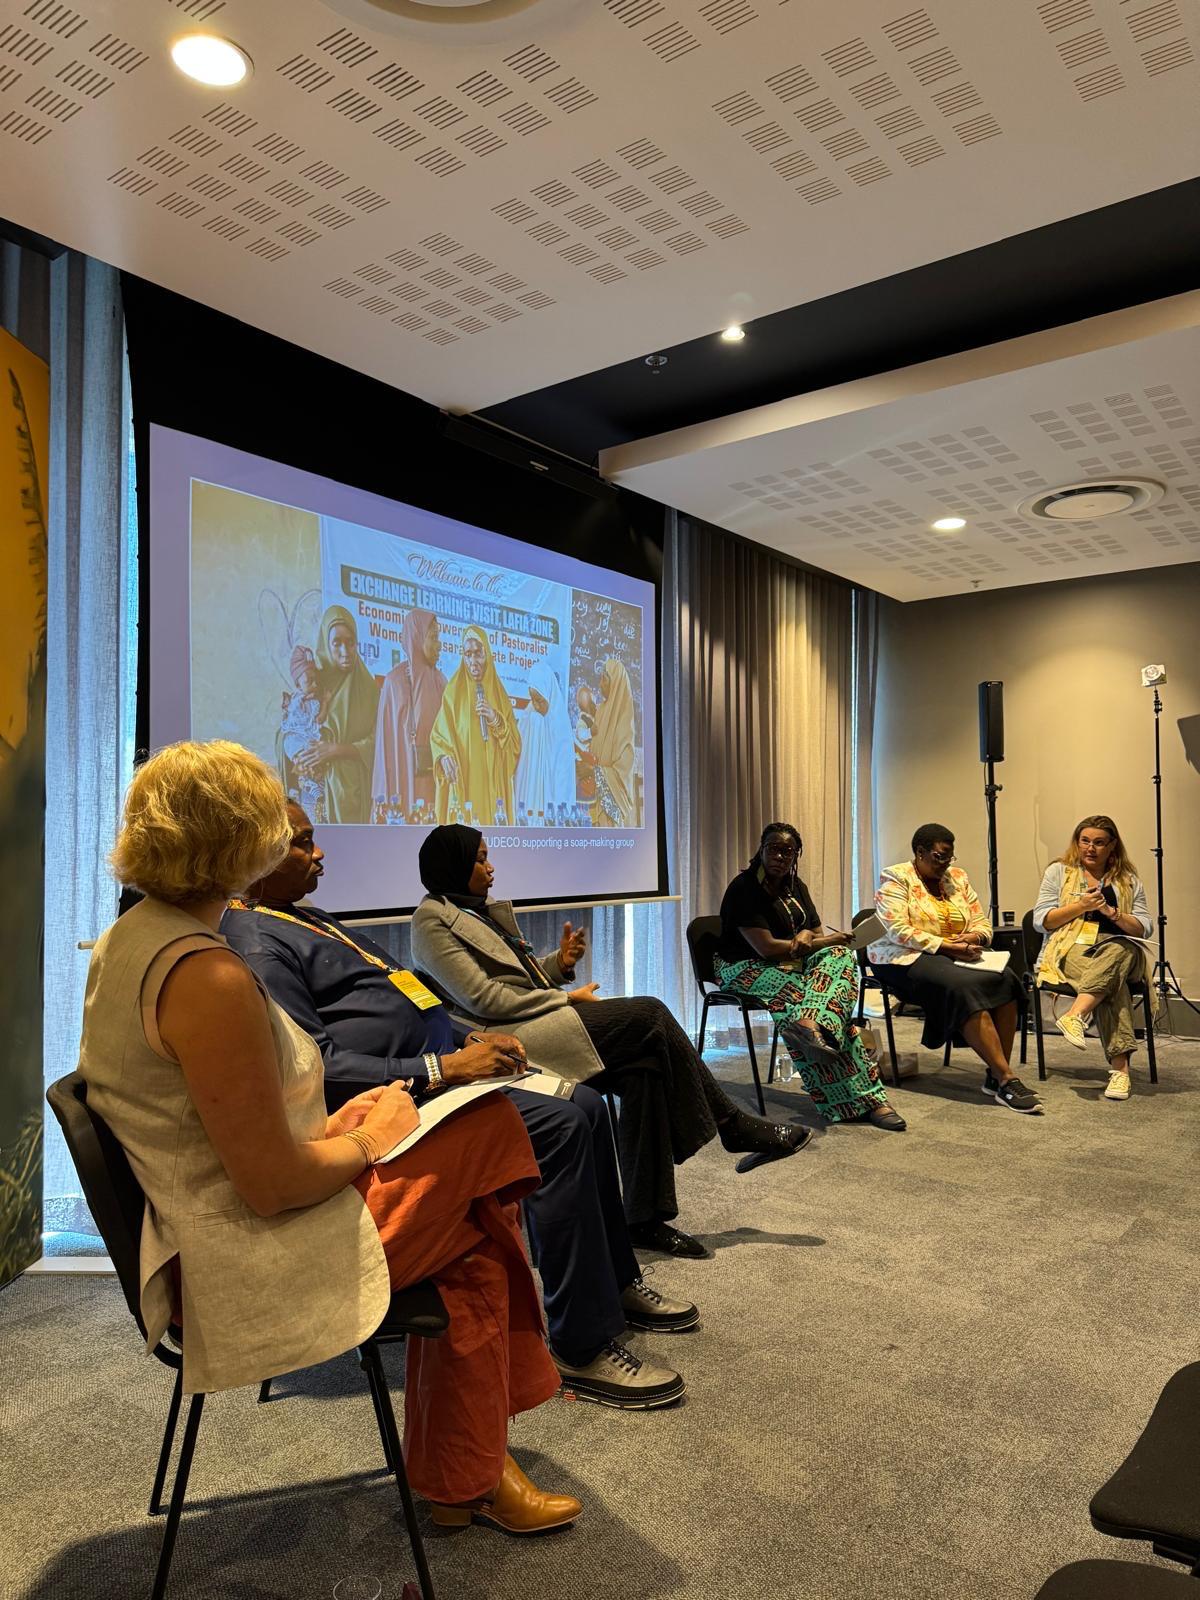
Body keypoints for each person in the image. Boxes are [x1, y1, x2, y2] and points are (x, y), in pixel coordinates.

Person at [81, 740, 579, 1533]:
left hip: (203, 1224)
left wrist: (358, 1122)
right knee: (489, 1162)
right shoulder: (208, 976)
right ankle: (470, 1469)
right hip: (241, 1259)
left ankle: (468, 1475)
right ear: (245, 842)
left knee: (475, 1215)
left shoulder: (134, 937)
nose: (299, 842)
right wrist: (374, 1135)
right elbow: (272, 1185)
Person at [223, 802, 695, 1409]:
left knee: (587, 1105)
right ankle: (580, 1345)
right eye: (304, 844)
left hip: (448, 1065)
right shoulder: (255, 941)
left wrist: (467, 1035)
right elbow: (319, 1067)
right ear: (257, 855)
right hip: (393, 1101)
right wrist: (442, 1067)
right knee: (560, 1126)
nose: (320, 854)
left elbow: (409, 992)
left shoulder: (306, 917)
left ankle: (615, 1282)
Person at [411, 824, 813, 1260]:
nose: (491, 868)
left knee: (647, 1067)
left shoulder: (477, 909)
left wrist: (558, 964)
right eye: (480, 859)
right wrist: (566, 996)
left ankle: (644, 1219)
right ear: (452, 865)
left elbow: (516, 980)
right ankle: (732, 1125)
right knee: (650, 1014)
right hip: (508, 1039)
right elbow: (484, 998)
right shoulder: (432, 921)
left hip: (534, 1017)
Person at [715, 823, 905, 1132]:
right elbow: (767, 949)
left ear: (796, 855)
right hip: (744, 968)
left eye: (787, 851)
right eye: (773, 849)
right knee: (799, 998)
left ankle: (810, 1024)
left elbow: (815, 934)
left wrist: (808, 935)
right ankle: (870, 1101)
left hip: (790, 963)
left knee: (839, 957)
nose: (779, 856)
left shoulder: (795, 885)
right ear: (761, 851)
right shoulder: (744, 888)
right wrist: (817, 941)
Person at [870, 823, 1041, 1114]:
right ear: (919, 852)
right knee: (963, 986)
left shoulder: (957, 878)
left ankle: (995, 1074)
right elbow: (898, 930)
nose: (946, 864)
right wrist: (947, 946)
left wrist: (975, 937)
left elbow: (982, 923)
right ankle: (1006, 1078)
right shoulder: (895, 879)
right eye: (939, 856)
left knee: (1007, 979)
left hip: (952, 955)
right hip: (900, 958)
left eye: (950, 857)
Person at [1032, 814, 1154, 1101]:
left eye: (1099, 843)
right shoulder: (1059, 872)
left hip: (1124, 949)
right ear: (1077, 842)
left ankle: (1075, 1014)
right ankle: (1120, 1073)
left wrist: (1114, 915)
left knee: (1120, 948)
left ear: (1112, 846)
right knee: (1114, 985)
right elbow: (1042, 921)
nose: (1090, 848)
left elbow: (1144, 927)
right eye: (1085, 841)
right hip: (1071, 946)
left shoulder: (1127, 880)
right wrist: (1081, 906)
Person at [294, 605, 379, 824]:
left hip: (354, 794)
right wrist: (298, 750)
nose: (345, 651)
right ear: (325, 642)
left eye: (350, 642)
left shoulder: (368, 688)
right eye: (337, 643)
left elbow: (378, 743)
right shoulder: (313, 683)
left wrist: (335, 750)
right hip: (315, 795)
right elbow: (289, 726)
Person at [430, 625, 520, 827]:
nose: (473, 662)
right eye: (467, 654)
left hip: (492, 788)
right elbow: (439, 737)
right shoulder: (452, 693)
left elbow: (514, 745)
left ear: (487, 654)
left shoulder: (499, 694)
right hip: (464, 786)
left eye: (478, 654)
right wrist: (443, 757)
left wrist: (494, 717)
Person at [371, 607, 445, 823]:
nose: (439, 644)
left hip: (434, 779)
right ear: (416, 638)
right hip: (402, 778)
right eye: (433, 637)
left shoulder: (442, 682)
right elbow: (386, 747)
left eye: (439, 637)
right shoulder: (394, 682)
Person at [515, 663, 575, 825]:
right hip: (527, 803)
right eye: (532, 699)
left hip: (552, 810)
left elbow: (563, 780)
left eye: (540, 700)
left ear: (549, 694)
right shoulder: (530, 714)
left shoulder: (561, 728)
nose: (535, 705)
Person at [277, 645, 328, 822]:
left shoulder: (315, 702)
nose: (314, 685)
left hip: (310, 737)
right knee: (298, 750)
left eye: (316, 681)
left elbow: (319, 720)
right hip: (297, 737)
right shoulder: (295, 702)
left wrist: (326, 702)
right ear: (298, 683)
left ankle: (315, 787)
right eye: (309, 682)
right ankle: (306, 784)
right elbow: (293, 723)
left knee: (313, 757)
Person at [585, 658, 636, 827]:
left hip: (611, 816)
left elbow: (622, 774)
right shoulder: (600, 711)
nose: (599, 684)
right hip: (593, 800)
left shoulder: (624, 722)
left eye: (604, 679)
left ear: (615, 683)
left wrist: (596, 773)